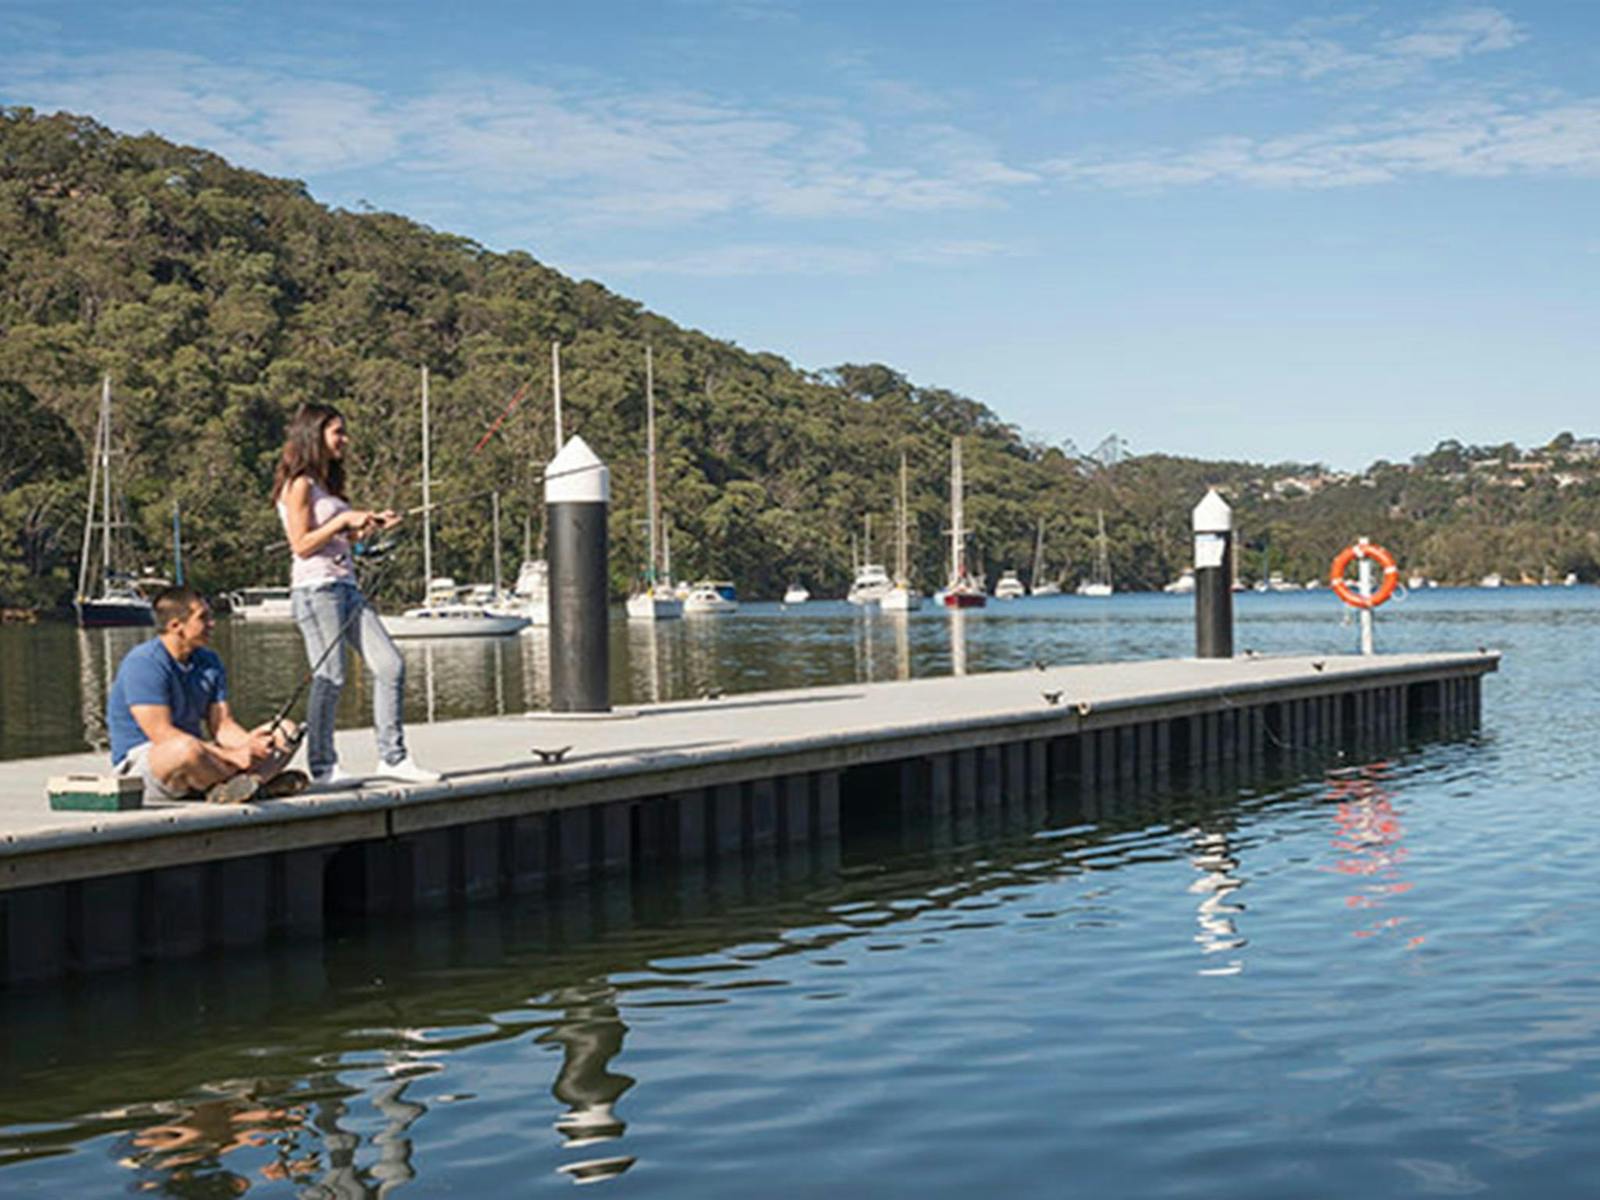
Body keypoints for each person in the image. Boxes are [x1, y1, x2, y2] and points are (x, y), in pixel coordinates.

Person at [271, 402, 438, 785]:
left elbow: (336, 538)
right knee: (330, 676)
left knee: (390, 664)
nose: (344, 440)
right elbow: (301, 544)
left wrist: (366, 527)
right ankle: (323, 766)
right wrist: (345, 520)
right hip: (316, 590)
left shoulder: (325, 486)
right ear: (315, 435)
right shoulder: (298, 485)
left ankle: (392, 758)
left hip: (346, 587)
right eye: (337, 432)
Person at [108, 586, 305, 804]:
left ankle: (242, 785)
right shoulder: (144, 663)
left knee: (286, 730)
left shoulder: (209, 661)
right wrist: (233, 756)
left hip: (201, 755)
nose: (212, 624)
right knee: (185, 750)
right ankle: (256, 782)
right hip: (152, 761)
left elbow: (222, 725)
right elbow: (162, 734)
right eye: (203, 618)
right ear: (176, 626)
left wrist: (250, 745)